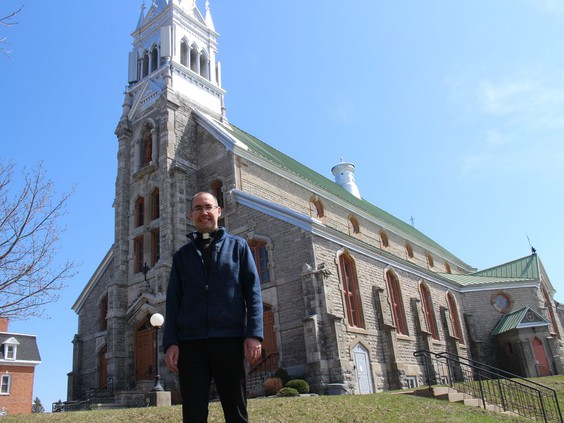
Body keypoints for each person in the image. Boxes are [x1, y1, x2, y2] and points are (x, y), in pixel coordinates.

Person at [163, 191, 263, 423]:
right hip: (191, 345)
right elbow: (173, 302)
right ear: (191, 215)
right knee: (193, 414)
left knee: (235, 411)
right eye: (197, 208)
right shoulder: (182, 257)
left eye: (208, 207)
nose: (203, 212)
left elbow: (253, 292)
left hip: (229, 340)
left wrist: (254, 334)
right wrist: (171, 342)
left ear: (218, 211)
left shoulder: (238, 247)